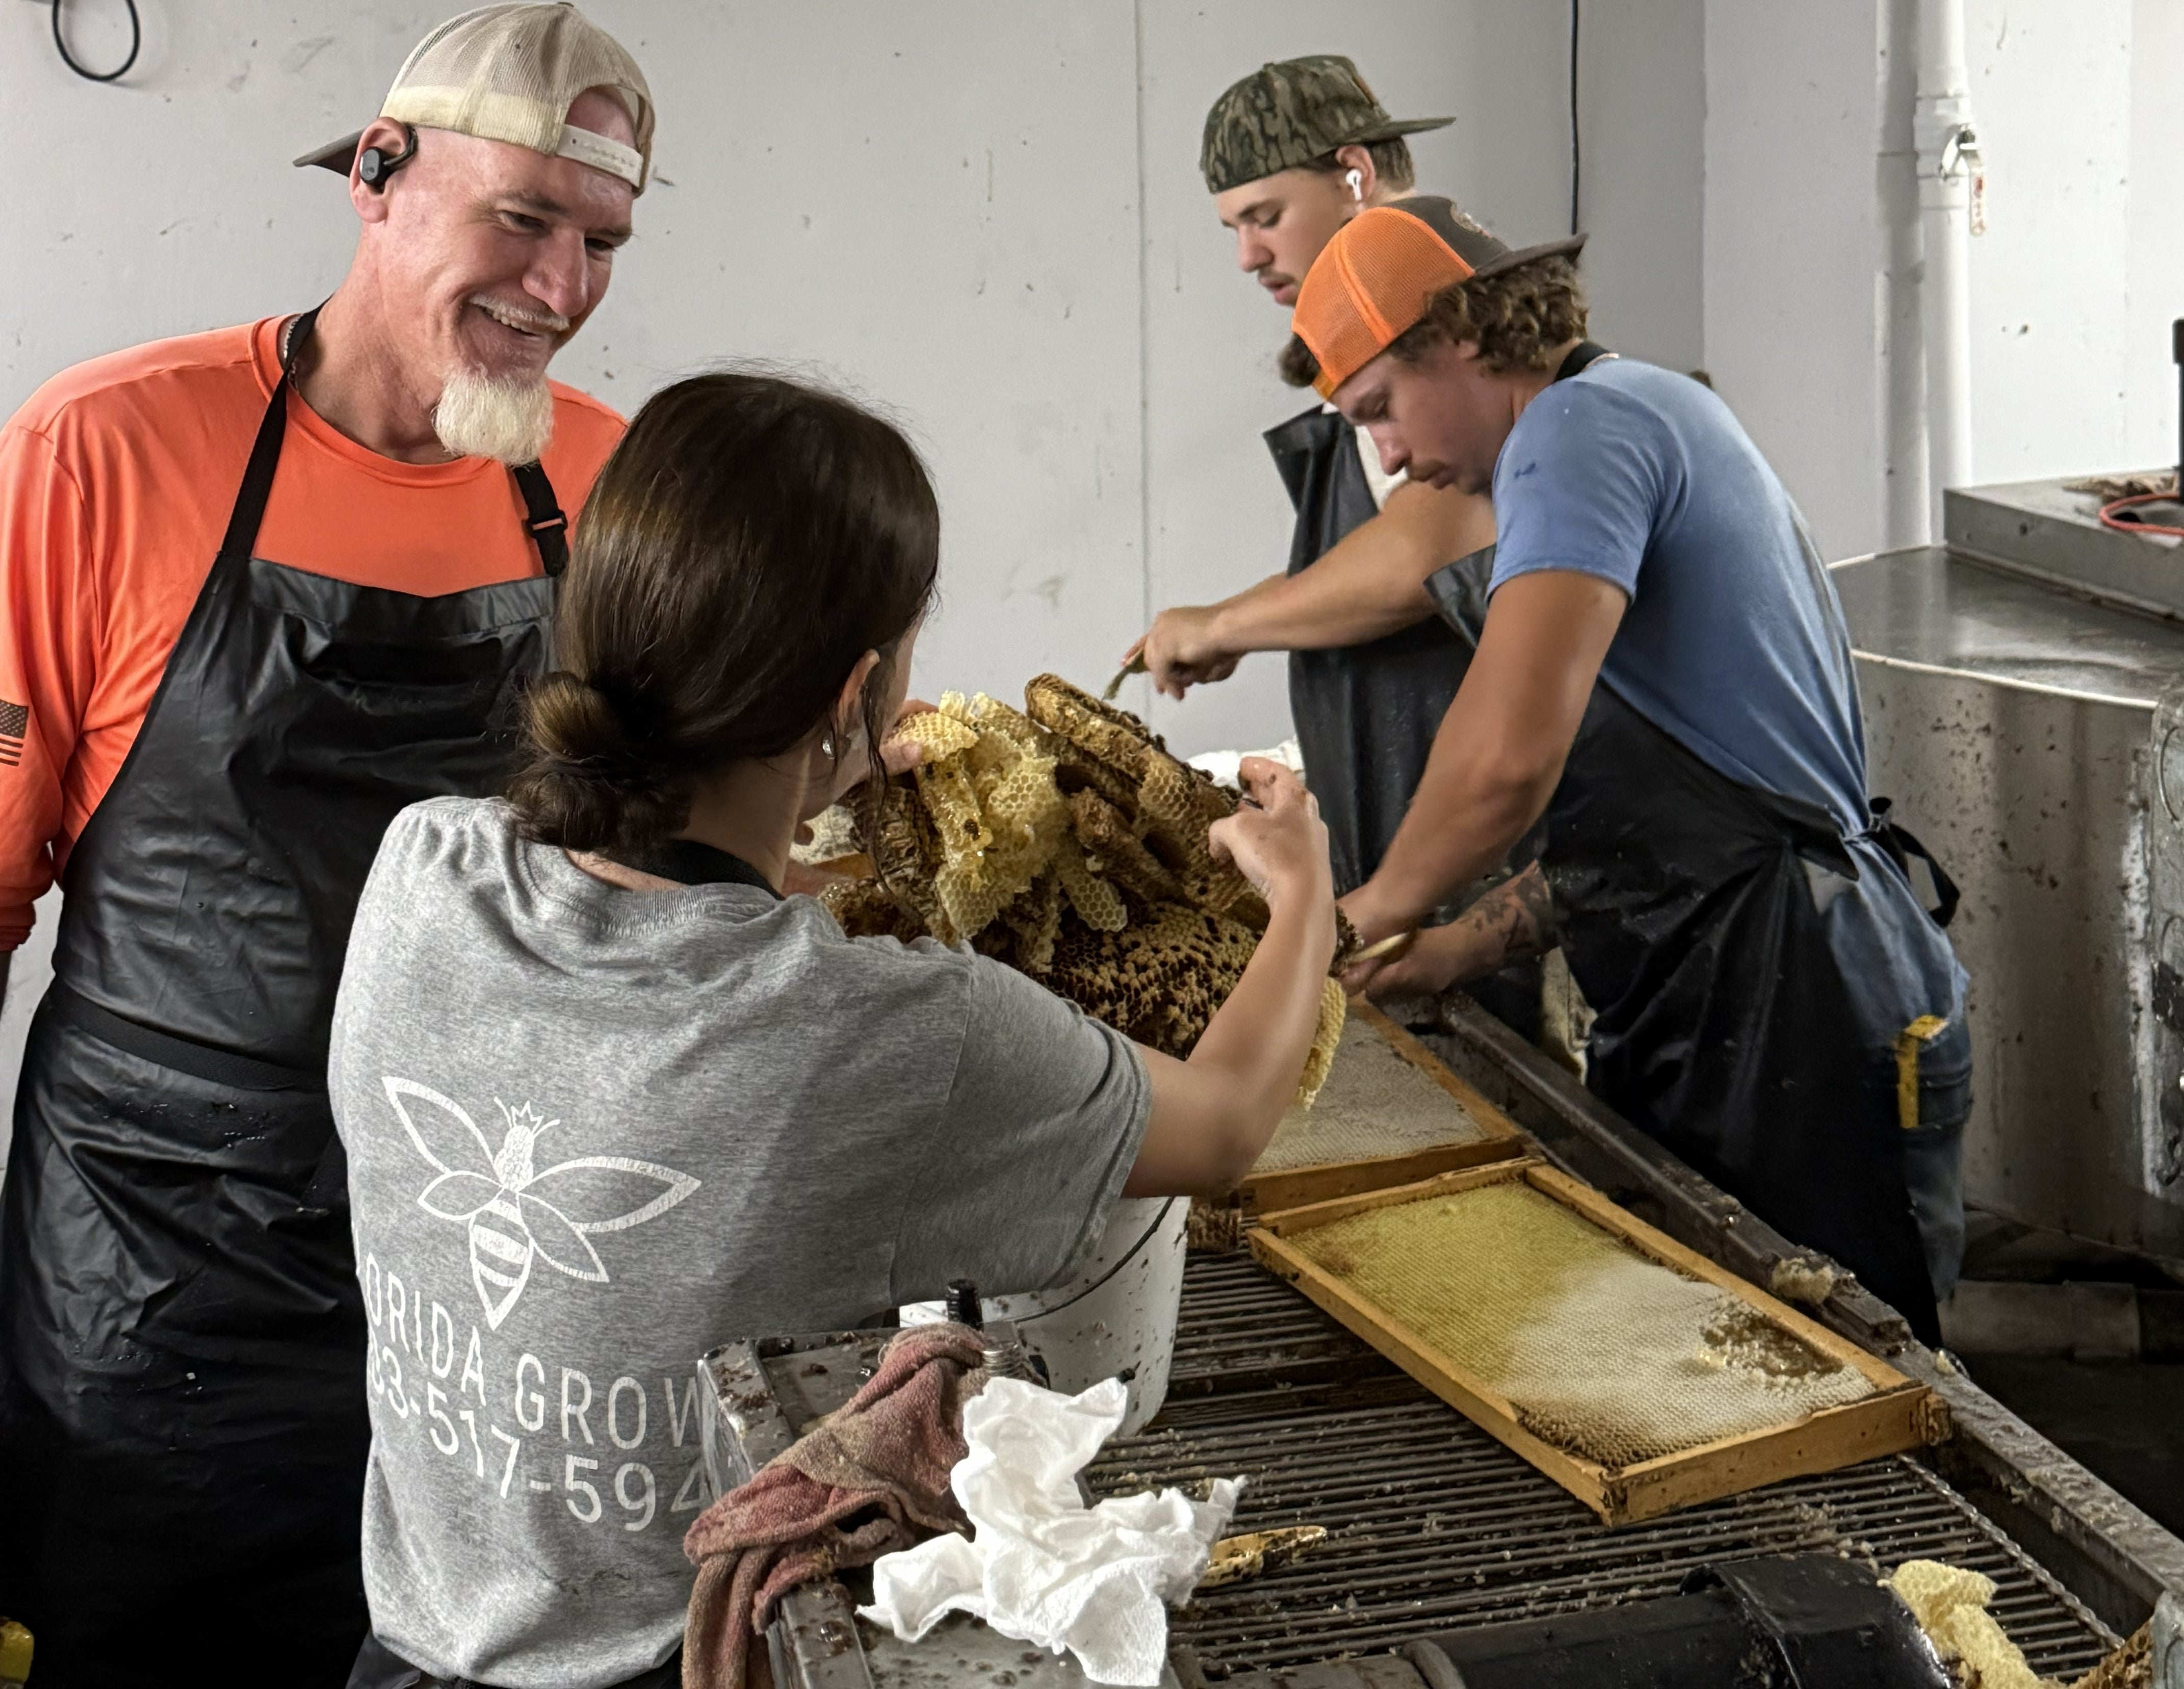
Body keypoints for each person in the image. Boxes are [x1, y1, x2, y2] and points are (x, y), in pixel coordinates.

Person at [326, 370, 1337, 1687]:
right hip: (682, 1660)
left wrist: (818, 790)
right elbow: (1220, 1123)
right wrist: (1303, 890)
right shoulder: (881, 1031)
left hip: (396, 1651)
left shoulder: (423, 872)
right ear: (858, 685)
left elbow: (652, 900)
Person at [0, 6, 652, 1678]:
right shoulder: (110, 452)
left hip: (495, 1252)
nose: (562, 290)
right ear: (377, 176)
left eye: (599, 242)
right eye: (520, 220)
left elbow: (670, 879)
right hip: (160, 1265)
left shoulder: (610, 485)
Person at [1303, 197, 1970, 1341]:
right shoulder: (1633, 414)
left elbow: (1507, 757)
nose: (1394, 457)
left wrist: (1356, 919)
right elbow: (1672, 830)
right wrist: (1465, 942)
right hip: (1740, 986)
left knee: (1845, 1388)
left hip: (1795, 1008)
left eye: (1383, 411)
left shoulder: (1577, 430)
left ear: (1460, 336)